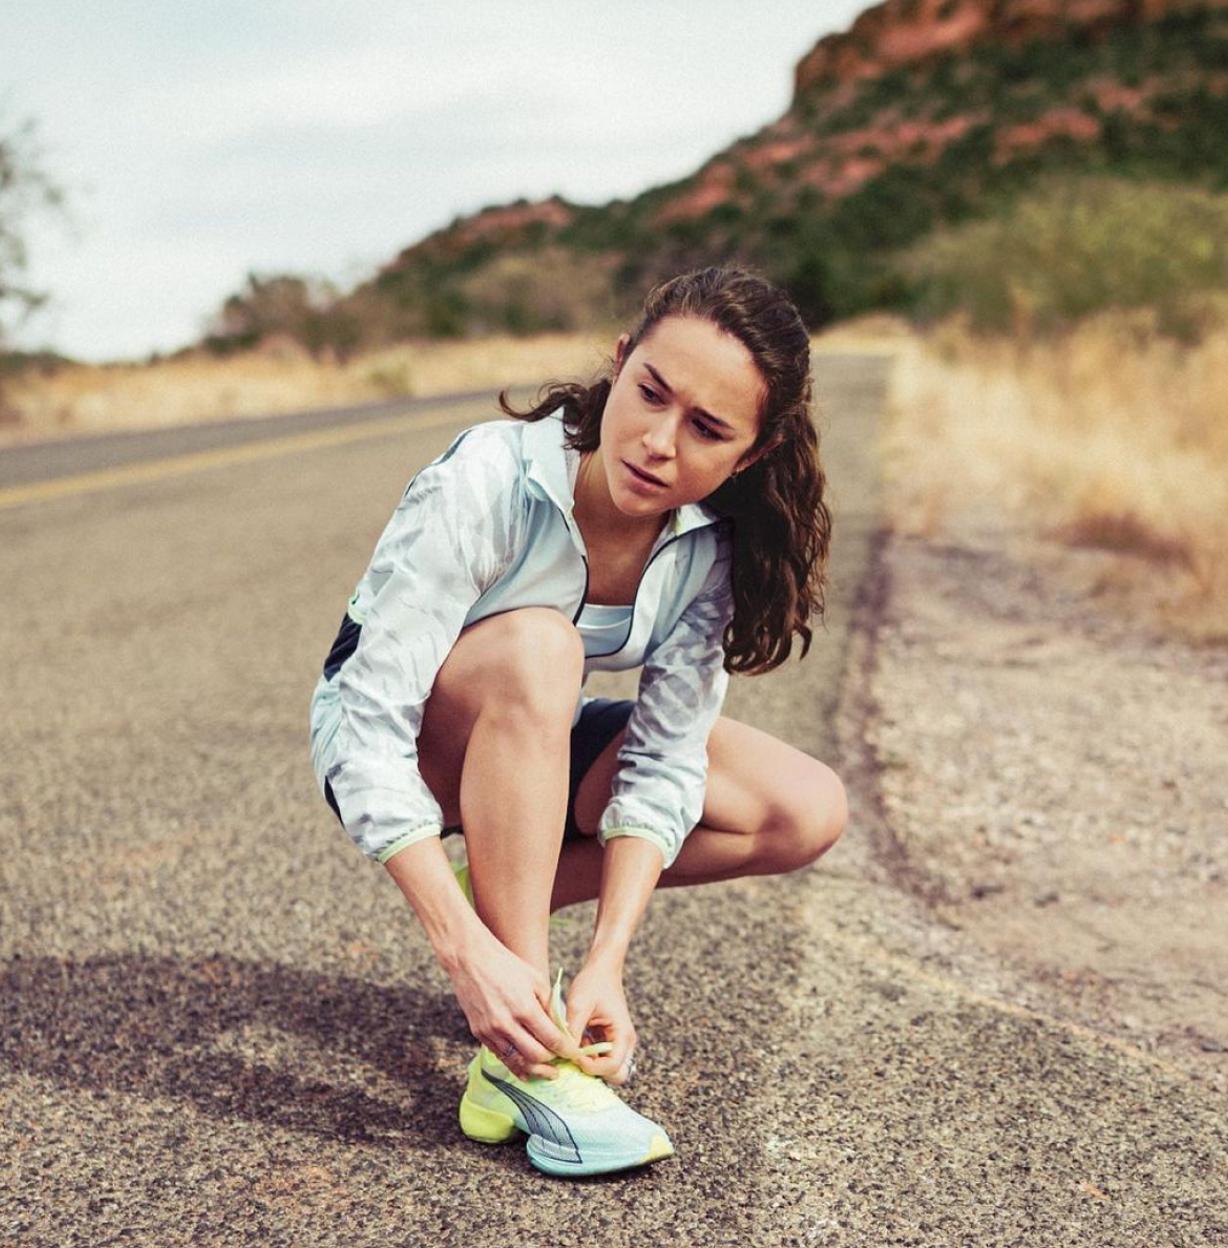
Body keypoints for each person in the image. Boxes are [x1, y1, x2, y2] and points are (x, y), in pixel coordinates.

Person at [309, 266, 847, 1177]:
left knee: (804, 808)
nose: (657, 442)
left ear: (748, 456)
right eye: (650, 394)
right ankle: (528, 1056)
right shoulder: (486, 478)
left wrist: (607, 961)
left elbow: (667, 759)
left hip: (536, 746)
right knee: (541, 649)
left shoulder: (711, 545)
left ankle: (516, 916)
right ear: (621, 360)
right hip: (424, 753)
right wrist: (463, 948)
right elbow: (357, 721)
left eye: (707, 430)